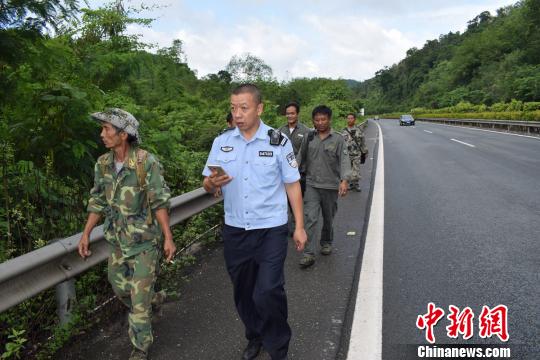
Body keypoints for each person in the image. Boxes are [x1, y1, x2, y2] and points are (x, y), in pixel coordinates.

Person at [202, 84, 307, 360]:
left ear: (259, 108)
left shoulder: (278, 142)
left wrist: (299, 226)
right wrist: (211, 182)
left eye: (244, 108)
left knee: (268, 290)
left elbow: (292, 185)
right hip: (236, 229)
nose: (237, 114)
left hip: (271, 229)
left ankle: (278, 347)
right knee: (244, 292)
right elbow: (207, 184)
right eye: (233, 108)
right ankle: (255, 336)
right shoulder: (221, 142)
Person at [78, 108, 176, 360]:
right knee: (119, 287)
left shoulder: (146, 162)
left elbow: (159, 202)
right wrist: (86, 234)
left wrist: (168, 237)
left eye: (106, 129)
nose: (102, 134)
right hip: (118, 241)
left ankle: (140, 347)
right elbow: (97, 200)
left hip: (144, 241)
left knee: (138, 299)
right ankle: (153, 300)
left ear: (123, 135)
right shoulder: (103, 164)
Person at [297, 105, 351, 268]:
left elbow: (344, 161)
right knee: (310, 218)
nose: (320, 123)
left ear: (329, 119)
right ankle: (308, 253)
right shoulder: (309, 137)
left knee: (328, 218)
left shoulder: (338, 139)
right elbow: (300, 158)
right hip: (312, 185)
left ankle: (326, 242)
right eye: (317, 120)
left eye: (323, 119)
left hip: (330, 186)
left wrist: (344, 180)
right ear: (313, 121)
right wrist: (292, 174)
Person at [342, 113, 368, 192]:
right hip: (347, 154)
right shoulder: (344, 131)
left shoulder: (359, 130)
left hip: (357, 154)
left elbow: (363, 142)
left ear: (354, 119)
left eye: (351, 118)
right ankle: (350, 184)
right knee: (348, 170)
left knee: (356, 169)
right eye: (348, 118)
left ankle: (356, 184)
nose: (349, 120)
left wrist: (365, 152)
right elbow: (340, 143)